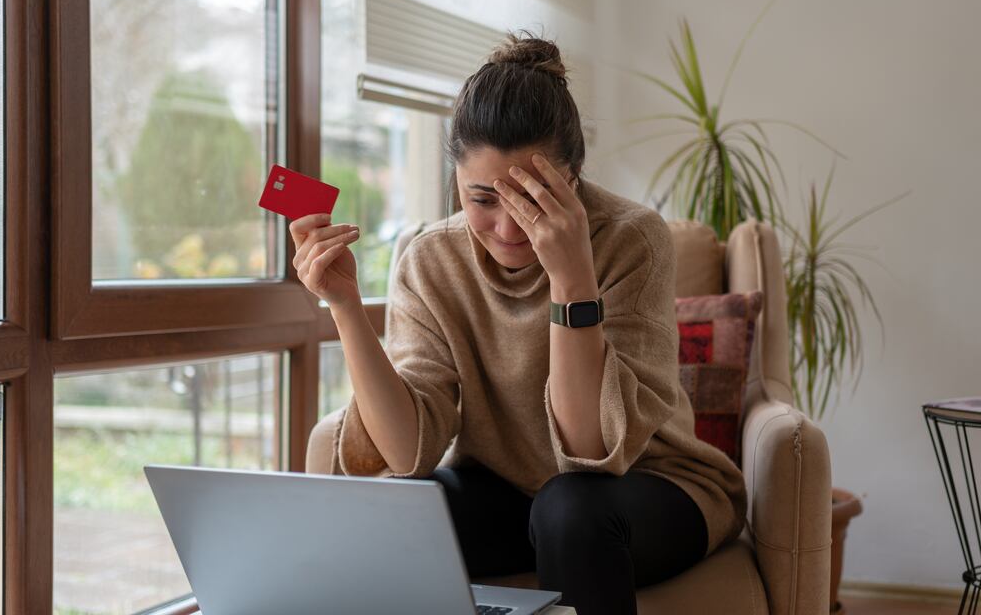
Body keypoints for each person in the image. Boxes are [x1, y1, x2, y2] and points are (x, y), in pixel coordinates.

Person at [288, 33, 746, 615]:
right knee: (400, 516)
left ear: (572, 177)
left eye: (530, 198)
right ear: (455, 178)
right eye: (483, 199)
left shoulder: (632, 238)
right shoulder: (431, 260)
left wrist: (572, 277)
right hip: (508, 493)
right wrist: (345, 307)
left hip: (652, 487)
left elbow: (591, 451)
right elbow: (406, 454)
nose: (508, 228)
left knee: (569, 508)